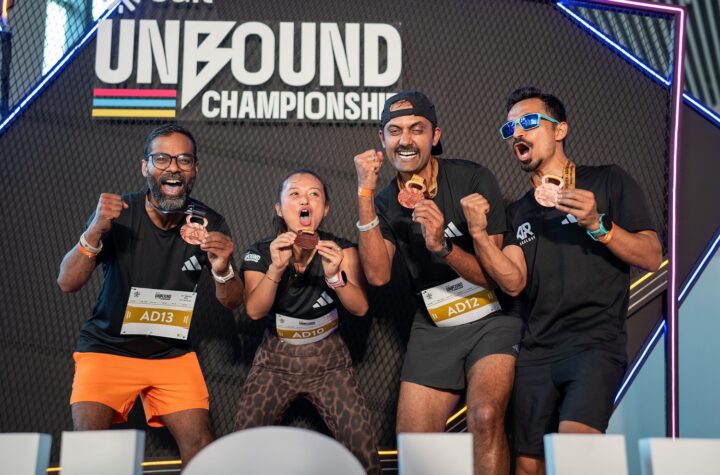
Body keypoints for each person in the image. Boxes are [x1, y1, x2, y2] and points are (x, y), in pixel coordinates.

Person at [353, 91, 527, 475]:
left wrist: (442, 247)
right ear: (382, 139)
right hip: (435, 323)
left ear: (435, 135)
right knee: (414, 440)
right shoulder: (384, 201)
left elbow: (496, 278)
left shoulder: (472, 178)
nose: (405, 140)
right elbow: (378, 275)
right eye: (394, 131)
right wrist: (365, 192)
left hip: (492, 316)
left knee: (484, 415)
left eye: (417, 129)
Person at [499, 86, 663, 475]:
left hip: (593, 344)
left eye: (528, 122)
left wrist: (598, 225)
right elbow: (513, 283)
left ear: (560, 130)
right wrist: (470, 237)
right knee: (528, 466)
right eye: (509, 129)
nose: (517, 133)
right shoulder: (517, 211)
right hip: (536, 350)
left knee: (576, 451)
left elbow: (651, 256)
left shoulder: (607, 181)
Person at [57, 124, 243, 464]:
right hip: (107, 349)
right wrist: (94, 230)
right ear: (145, 167)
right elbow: (67, 282)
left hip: (171, 355)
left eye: (184, 160)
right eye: (162, 159)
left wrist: (222, 268)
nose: (173, 167)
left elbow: (232, 300)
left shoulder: (209, 222)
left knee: (201, 446)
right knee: (88, 448)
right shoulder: (119, 215)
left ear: (195, 170)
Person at [234, 169, 381, 474]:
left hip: (329, 360)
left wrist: (334, 277)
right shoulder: (261, 252)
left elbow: (360, 308)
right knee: (243, 449)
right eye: (295, 194)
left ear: (325, 209)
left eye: (314, 194)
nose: (305, 200)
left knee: (363, 450)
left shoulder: (341, 250)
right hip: (276, 359)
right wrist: (276, 269)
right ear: (279, 208)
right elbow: (254, 311)